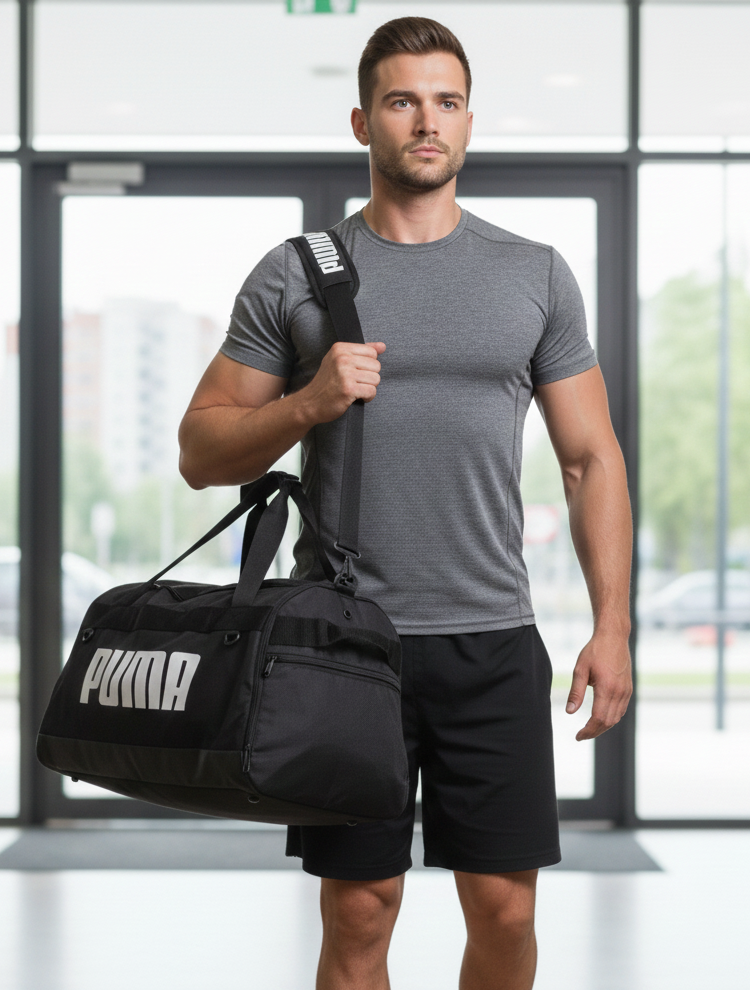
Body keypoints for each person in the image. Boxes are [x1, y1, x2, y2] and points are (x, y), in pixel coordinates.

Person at [178, 16, 632, 990]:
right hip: (346, 647)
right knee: (359, 914)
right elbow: (198, 450)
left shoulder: (535, 274)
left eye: (447, 101)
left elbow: (591, 460)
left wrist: (614, 626)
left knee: (507, 910)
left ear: (469, 122)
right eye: (402, 101)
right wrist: (309, 402)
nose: (426, 121)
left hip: (492, 639)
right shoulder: (298, 273)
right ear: (363, 122)